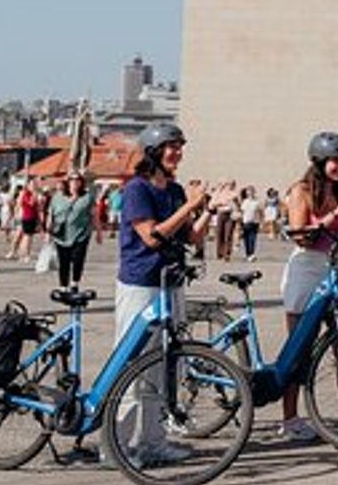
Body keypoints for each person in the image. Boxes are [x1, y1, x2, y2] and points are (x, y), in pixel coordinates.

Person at [116, 123, 230, 467]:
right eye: (171, 147)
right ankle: (117, 444)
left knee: (164, 365)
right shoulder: (137, 189)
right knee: (133, 365)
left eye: (180, 147)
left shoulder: (176, 190)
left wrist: (208, 209)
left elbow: (193, 238)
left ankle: (152, 441)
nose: (177, 153)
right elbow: (152, 236)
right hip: (141, 284)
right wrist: (190, 205)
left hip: (171, 283)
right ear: (154, 151)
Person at [279, 131, 338, 443]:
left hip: (336, 262)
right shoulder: (301, 190)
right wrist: (333, 217)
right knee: (299, 347)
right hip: (306, 266)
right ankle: (290, 419)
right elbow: (302, 234)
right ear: (318, 161)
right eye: (334, 161)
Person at [49, 171, 95, 288]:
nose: (75, 183)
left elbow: (93, 214)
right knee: (63, 261)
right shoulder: (58, 197)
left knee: (78, 258)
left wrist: (98, 231)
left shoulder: (87, 197)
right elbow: (51, 213)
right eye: (72, 180)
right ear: (68, 182)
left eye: (78, 181)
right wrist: (48, 229)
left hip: (81, 233)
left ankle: (75, 282)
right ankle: (63, 286)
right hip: (62, 234)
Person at [238, 187, 262, 261]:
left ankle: (252, 254)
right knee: (246, 240)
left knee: (252, 239)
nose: (250, 193)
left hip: (254, 222)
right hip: (246, 222)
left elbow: (260, 212)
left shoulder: (256, 202)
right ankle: (248, 254)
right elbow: (242, 212)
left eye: (251, 191)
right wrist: (240, 223)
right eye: (248, 192)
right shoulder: (244, 202)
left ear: (254, 192)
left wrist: (260, 222)